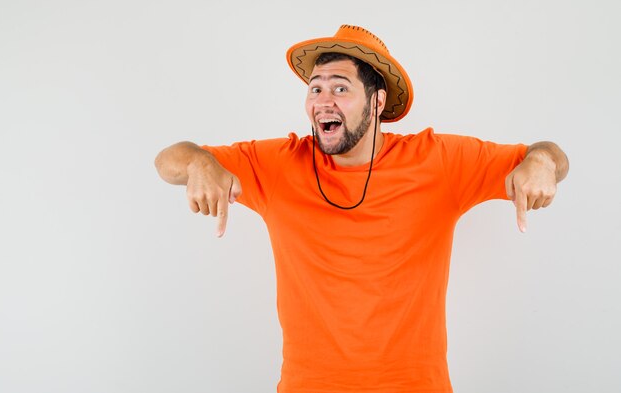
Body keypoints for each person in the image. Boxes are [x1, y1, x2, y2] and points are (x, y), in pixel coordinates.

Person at [154, 25, 569, 393]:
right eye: (315, 88)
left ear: (376, 101)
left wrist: (542, 163)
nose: (323, 100)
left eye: (340, 87)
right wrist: (199, 162)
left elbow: (548, 155)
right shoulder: (280, 164)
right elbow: (168, 160)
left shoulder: (438, 161)